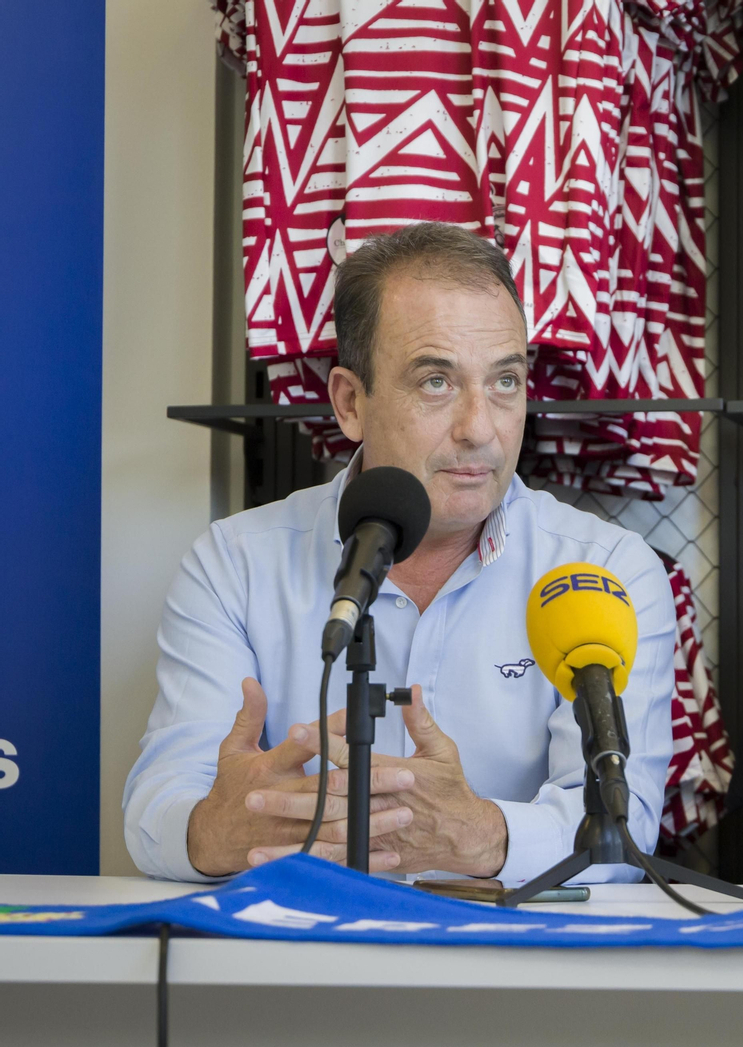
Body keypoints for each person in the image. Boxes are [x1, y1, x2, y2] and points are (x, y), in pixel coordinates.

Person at [123, 223, 675, 884]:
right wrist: (218, 828)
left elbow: (624, 829)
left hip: (511, 947)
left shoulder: (609, 572)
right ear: (350, 403)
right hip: (299, 943)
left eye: (505, 381)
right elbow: (155, 812)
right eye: (436, 381)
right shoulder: (233, 565)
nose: (480, 429)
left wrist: (482, 837)